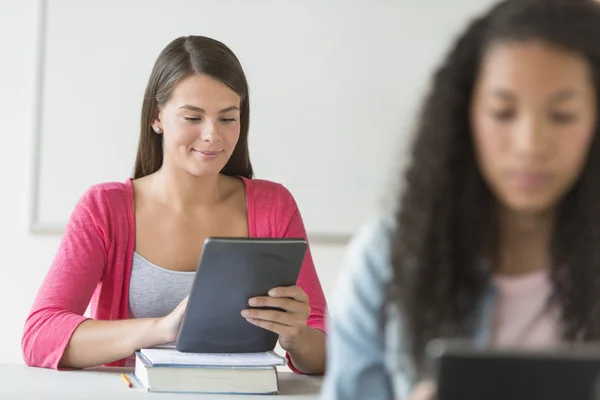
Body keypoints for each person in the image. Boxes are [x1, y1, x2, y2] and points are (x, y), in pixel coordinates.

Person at [321, 0, 600, 398]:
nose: (530, 145)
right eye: (503, 113)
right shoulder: (388, 254)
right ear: (464, 115)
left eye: (563, 116)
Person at [21, 35, 327, 375]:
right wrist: (163, 328)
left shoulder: (274, 206)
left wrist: (297, 336)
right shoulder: (104, 209)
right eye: (193, 118)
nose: (212, 135)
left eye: (227, 118)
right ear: (157, 117)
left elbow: (326, 354)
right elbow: (40, 336)